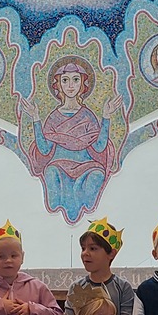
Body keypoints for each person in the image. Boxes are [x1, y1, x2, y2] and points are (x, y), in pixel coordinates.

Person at [18, 58, 124, 220]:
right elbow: (44, 149)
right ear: (58, 85)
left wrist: (106, 116)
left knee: (97, 175)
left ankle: (87, 215)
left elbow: (100, 146)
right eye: (65, 80)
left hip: (87, 165)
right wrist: (35, 118)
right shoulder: (54, 117)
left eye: (75, 80)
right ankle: (53, 219)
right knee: (50, 173)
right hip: (59, 165)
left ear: (82, 84)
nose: (70, 85)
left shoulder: (87, 116)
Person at [61, 217, 136, 315]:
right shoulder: (77, 287)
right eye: (83, 248)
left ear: (111, 253)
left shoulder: (123, 287)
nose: (85, 253)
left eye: (93, 248)